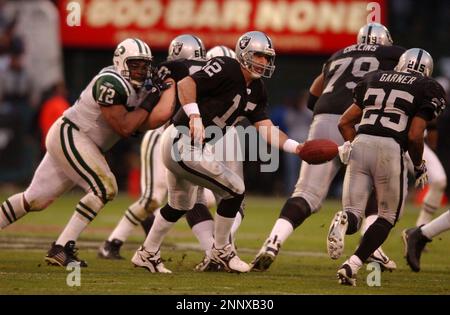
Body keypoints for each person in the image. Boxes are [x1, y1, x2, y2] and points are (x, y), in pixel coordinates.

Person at [131, 30, 303, 274]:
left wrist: (296, 147)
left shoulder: (257, 90)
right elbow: (186, 84)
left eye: (267, 57)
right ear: (244, 54)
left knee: (180, 204)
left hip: (188, 146)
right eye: (259, 56)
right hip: (181, 142)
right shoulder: (227, 67)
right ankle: (222, 251)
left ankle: (146, 253)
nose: (264, 62)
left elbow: (265, 128)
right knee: (235, 188)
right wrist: (194, 115)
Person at [0, 38, 175, 267]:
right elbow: (125, 127)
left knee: (34, 199)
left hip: (85, 142)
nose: (141, 71)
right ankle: (62, 246)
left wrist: (165, 91)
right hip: (72, 134)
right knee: (105, 186)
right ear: (121, 62)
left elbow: (149, 119)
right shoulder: (110, 82)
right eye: (135, 65)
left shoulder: (143, 86)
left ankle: (59, 249)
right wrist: (151, 100)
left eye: (144, 65)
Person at [251, 23, 405, 271]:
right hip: (358, 120)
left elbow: (313, 95)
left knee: (306, 194)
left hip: (324, 116)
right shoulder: (392, 54)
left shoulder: (338, 54)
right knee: (375, 185)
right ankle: (372, 247)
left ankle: (272, 242)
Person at [327, 48, 446, 286]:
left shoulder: (374, 77)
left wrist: (350, 145)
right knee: (387, 216)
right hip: (390, 148)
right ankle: (352, 265)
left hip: (361, 142)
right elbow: (414, 135)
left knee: (353, 216)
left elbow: (344, 122)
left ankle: (343, 220)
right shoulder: (427, 87)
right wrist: (419, 165)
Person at [98, 34, 218, 260]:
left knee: (203, 198)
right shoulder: (166, 74)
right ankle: (112, 243)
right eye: (192, 64)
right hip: (160, 136)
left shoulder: (200, 79)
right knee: (152, 198)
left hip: (185, 141)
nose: (197, 70)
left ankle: (210, 250)